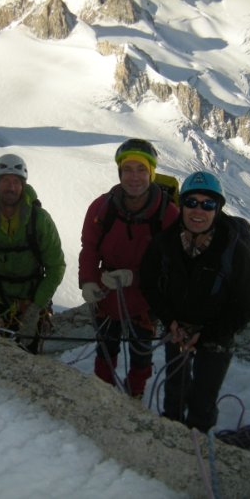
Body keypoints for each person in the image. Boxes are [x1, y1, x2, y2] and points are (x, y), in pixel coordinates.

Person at [140, 170, 250, 431]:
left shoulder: (233, 250)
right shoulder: (165, 243)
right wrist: (170, 321)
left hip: (216, 336)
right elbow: (149, 282)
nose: (199, 210)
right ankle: (172, 434)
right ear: (181, 205)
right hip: (178, 330)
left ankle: (197, 441)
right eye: (191, 202)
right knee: (175, 390)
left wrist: (207, 335)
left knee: (203, 399)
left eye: (208, 204)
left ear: (218, 209)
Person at [78, 138, 179, 398]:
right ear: (120, 173)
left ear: (152, 173)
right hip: (107, 293)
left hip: (145, 298)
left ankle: (134, 398)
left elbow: (173, 265)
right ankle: (103, 396)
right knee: (106, 349)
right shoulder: (102, 208)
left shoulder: (168, 215)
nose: (134, 177)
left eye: (141, 170)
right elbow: (89, 248)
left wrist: (134, 277)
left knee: (140, 354)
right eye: (128, 170)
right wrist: (88, 281)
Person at [0, 154, 66, 353]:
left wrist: (36, 308)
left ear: (23, 186)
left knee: (28, 356)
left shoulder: (40, 221)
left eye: (16, 182)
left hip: (31, 304)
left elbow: (56, 267)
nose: (11, 187)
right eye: (5, 181)